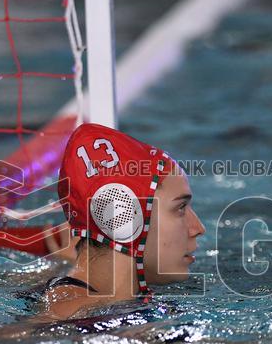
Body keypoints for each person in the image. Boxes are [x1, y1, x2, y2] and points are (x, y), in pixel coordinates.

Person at [38, 123, 205, 320]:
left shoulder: (105, 306)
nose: (198, 228)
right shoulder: (70, 314)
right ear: (123, 217)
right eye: (180, 208)